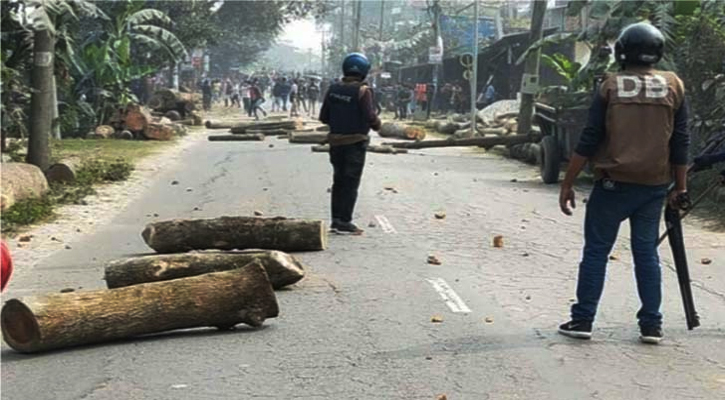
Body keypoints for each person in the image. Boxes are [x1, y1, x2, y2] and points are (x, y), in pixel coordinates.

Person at [557, 23, 689, 345]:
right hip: (654, 186)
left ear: (622, 52)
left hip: (613, 186)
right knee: (646, 253)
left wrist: (567, 182)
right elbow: (681, 141)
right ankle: (651, 325)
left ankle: (583, 319)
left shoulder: (610, 86)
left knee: (597, 252)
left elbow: (589, 139)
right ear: (657, 52)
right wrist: (680, 187)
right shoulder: (674, 85)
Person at [319, 53, 382, 234]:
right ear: (363, 72)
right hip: (355, 143)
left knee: (338, 181)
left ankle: (336, 219)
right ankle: (345, 221)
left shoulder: (333, 89)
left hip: (336, 143)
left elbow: (323, 117)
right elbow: (370, 116)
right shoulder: (363, 91)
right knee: (351, 183)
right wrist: (378, 125)